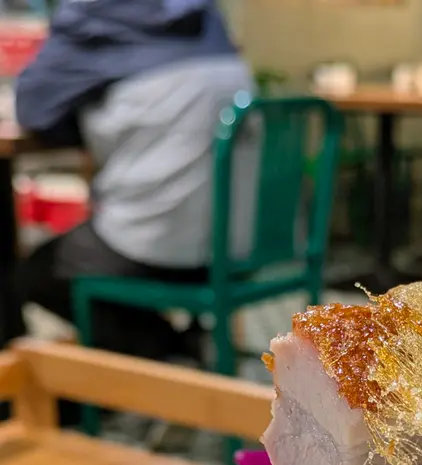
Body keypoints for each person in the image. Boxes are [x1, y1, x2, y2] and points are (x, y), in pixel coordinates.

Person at [13, 0, 253, 361]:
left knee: (38, 273)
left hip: (154, 250)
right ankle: (180, 351)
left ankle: (168, 355)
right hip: (247, 248)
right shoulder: (207, 16)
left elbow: (34, 109)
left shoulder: (91, 12)